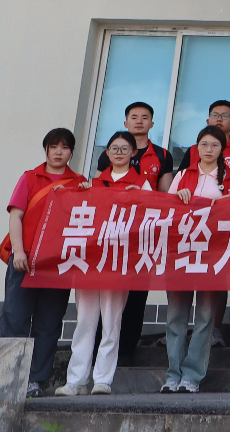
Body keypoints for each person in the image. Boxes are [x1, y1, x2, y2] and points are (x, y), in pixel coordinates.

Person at [0, 127, 84, 398]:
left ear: (71, 152)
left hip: (58, 265)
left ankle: (36, 380)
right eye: (54, 146)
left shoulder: (79, 182)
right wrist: (19, 252)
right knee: (15, 318)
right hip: (24, 260)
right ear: (46, 150)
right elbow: (16, 216)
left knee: (49, 324)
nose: (59, 152)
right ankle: (7, 376)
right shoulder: (30, 177)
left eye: (65, 147)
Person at [61, 133, 146, 397]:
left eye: (124, 148)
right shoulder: (92, 184)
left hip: (119, 262)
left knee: (111, 322)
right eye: (114, 148)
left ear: (133, 153)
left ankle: (103, 380)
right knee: (84, 322)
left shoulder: (142, 184)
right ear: (106, 153)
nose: (119, 153)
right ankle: (75, 380)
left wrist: (141, 197)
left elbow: (152, 218)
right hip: (90, 262)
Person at [97, 101, 173, 363]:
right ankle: (100, 350)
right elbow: (98, 191)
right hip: (111, 232)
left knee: (137, 293)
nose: (139, 121)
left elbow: (165, 196)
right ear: (125, 122)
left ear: (152, 123)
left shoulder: (162, 155)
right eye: (133, 116)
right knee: (106, 291)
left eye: (144, 117)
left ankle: (127, 350)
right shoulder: (111, 152)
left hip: (143, 234)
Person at [163, 126, 230, 394]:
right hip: (182, 253)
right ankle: (173, 374)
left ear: (222, 149)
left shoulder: (228, 180)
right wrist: (179, 198)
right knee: (176, 316)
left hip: (211, 255)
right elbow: (166, 212)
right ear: (196, 147)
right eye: (204, 144)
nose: (208, 149)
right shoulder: (183, 175)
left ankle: (192, 376)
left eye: (215, 145)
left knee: (205, 317)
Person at [186, 99, 230, 190]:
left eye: (225, 116)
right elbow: (182, 180)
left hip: (227, 198)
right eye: (215, 115)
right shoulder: (193, 150)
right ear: (208, 121)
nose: (219, 119)